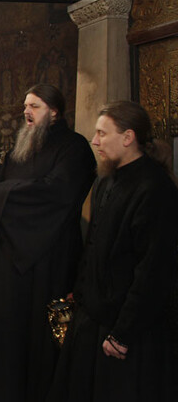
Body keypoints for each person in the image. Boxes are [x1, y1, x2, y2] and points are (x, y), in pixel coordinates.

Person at [47, 101, 178, 402]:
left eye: (102, 133)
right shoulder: (106, 180)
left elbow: (153, 271)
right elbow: (93, 247)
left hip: (127, 330)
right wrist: (79, 293)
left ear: (128, 137)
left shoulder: (155, 189)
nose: (94, 141)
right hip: (92, 318)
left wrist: (123, 333)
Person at [0, 84, 96, 402]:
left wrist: (7, 193)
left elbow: (57, 194)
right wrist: (11, 192)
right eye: (25, 106)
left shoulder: (75, 148)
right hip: (12, 259)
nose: (26, 112)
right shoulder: (21, 146)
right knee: (9, 334)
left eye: (35, 106)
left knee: (43, 339)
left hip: (51, 256)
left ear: (54, 112)